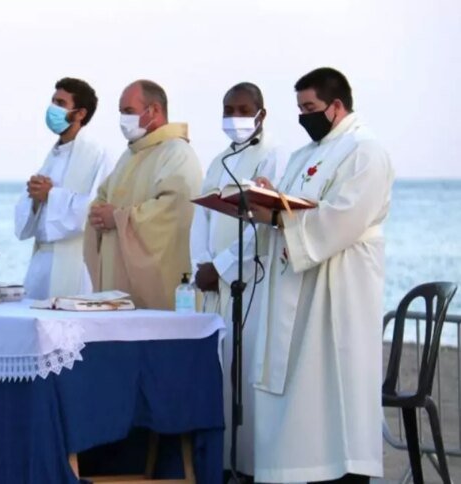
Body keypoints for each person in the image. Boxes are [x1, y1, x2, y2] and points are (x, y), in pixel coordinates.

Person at [248, 68, 394, 483]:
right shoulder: (304, 154)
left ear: (337, 106)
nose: (303, 117)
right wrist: (270, 196)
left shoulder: (365, 151)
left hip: (340, 285)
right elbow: (294, 204)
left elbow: (344, 217)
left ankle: (341, 472)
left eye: (310, 107)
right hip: (297, 283)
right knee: (298, 393)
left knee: (334, 384)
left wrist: (277, 216)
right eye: (299, 108)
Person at [189, 82, 283, 480]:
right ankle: (223, 463)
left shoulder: (274, 157)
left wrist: (224, 266)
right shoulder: (218, 160)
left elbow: (264, 220)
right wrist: (201, 264)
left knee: (245, 373)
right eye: (228, 110)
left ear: (262, 113)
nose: (235, 118)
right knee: (219, 373)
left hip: (250, 282)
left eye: (243, 110)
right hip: (215, 286)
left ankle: (250, 466)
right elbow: (201, 217)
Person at [84, 80, 202, 309]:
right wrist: (98, 214)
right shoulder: (129, 155)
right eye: (121, 112)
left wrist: (118, 218)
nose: (123, 119)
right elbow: (104, 195)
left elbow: (174, 211)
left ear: (154, 110)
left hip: (157, 284)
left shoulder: (177, 152)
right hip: (117, 276)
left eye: (129, 111)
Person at [14, 77, 111, 299]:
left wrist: (50, 195)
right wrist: (35, 198)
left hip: (76, 262)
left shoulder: (97, 155)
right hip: (41, 262)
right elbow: (26, 222)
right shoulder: (53, 155)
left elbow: (94, 208)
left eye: (60, 103)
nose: (53, 109)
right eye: (53, 101)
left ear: (80, 113)